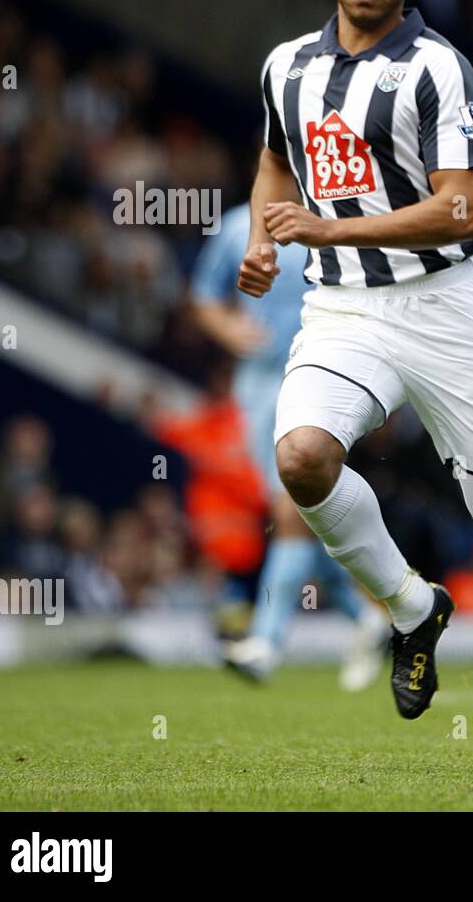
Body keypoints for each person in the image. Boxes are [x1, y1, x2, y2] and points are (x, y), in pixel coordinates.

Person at [237, 0, 473, 779]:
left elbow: (462, 205)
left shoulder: (438, 70)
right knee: (303, 456)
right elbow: (276, 154)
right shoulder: (286, 67)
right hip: (343, 311)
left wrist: (325, 228)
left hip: (450, 309)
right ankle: (409, 607)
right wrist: (261, 238)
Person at [192, 202, 388, 690]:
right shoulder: (238, 226)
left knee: (292, 509)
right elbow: (203, 295)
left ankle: (265, 641)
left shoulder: (336, 219)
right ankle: (365, 617)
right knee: (302, 512)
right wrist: (228, 328)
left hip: (319, 383)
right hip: (257, 388)